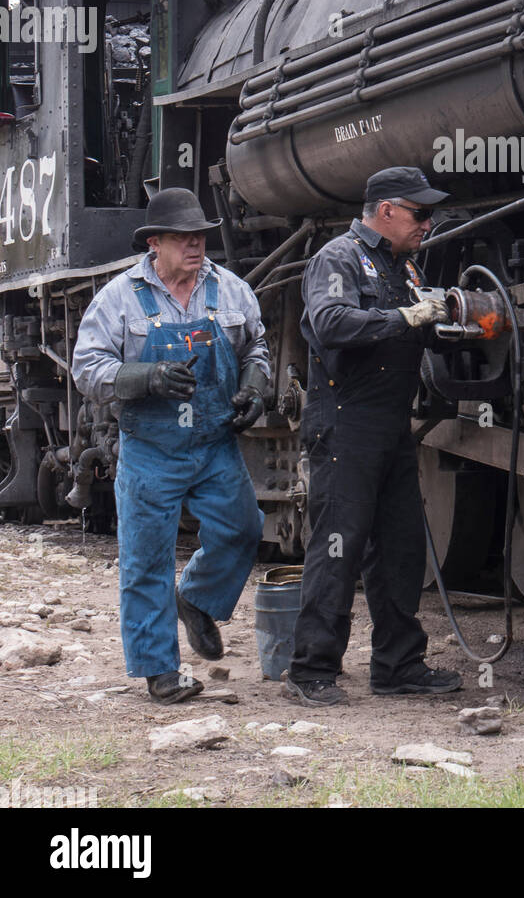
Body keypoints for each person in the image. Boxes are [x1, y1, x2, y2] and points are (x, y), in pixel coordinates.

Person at [71, 188, 270, 704]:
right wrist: (144, 377)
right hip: (151, 449)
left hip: (213, 443)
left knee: (244, 530)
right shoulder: (117, 297)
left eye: (200, 236)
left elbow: (258, 349)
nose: (196, 246)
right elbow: (86, 370)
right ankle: (160, 671)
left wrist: (253, 388)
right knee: (145, 561)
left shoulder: (230, 291)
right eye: (183, 238)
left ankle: (197, 597)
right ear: (154, 243)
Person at [287, 166, 461, 705]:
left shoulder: (404, 265)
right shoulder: (337, 258)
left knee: (400, 549)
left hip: (389, 424)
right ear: (385, 211)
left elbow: (411, 326)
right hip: (345, 422)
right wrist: (404, 318)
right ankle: (311, 670)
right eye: (420, 213)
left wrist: (452, 320)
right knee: (338, 546)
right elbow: (333, 321)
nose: (428, 224)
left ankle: (398, 665)